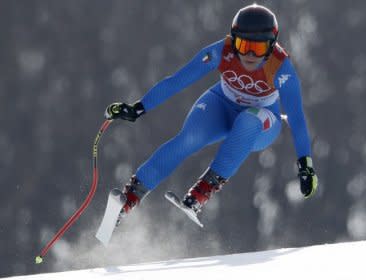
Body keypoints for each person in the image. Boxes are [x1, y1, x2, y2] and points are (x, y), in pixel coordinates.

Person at [105, 4, 318, 224]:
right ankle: (130, 197)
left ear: (272, 46)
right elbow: (177, 80)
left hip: (262, 120)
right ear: (233, 40)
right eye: (243, 45)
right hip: (221, 106)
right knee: (189, 138)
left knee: (248, 120)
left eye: (259, 48)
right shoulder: (221, 51)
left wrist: (305, 165)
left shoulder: (281, 67)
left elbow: (297, 117)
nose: (250, 54)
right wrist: (138, 108)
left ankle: (200, 193)